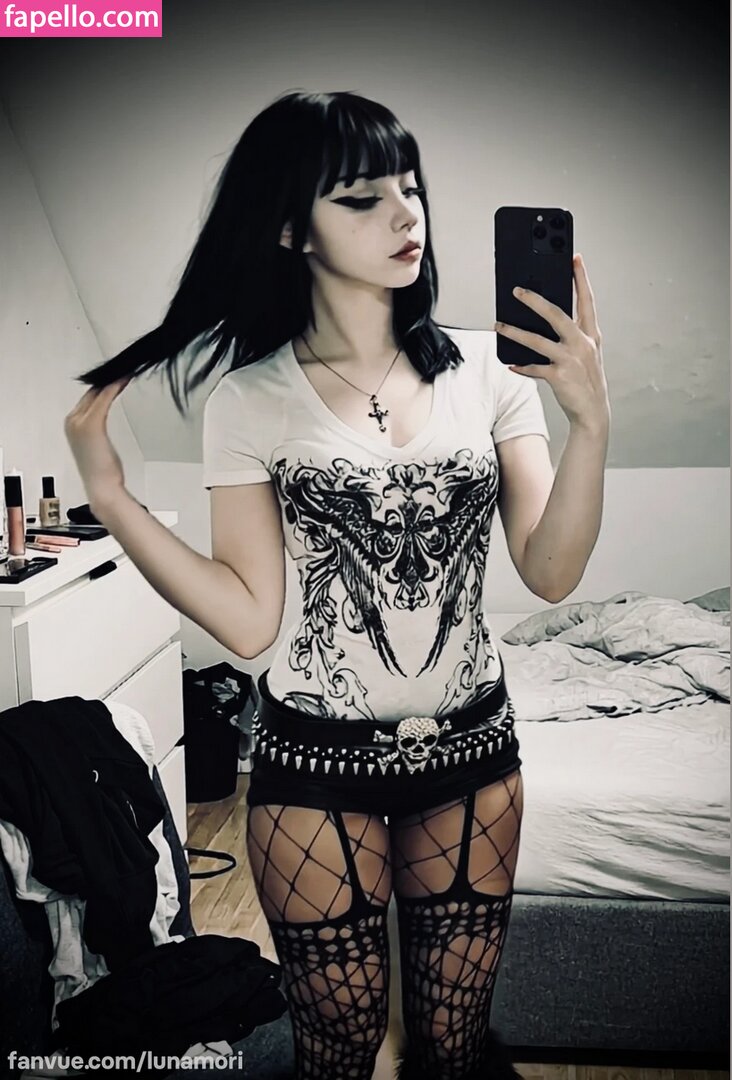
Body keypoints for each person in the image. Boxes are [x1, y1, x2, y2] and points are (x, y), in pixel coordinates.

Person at [65, 89, 610, 1080]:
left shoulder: (490, 372)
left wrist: (591, 425)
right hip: (313, 765)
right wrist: (111, 498)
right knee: (336, 1049)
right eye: (362, 198)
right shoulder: (250, 397)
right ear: (290, 228)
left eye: (411, 188)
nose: (406, 215)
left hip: (472, 756)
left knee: (453, 1046)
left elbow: (551, 570)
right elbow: (248, 621)